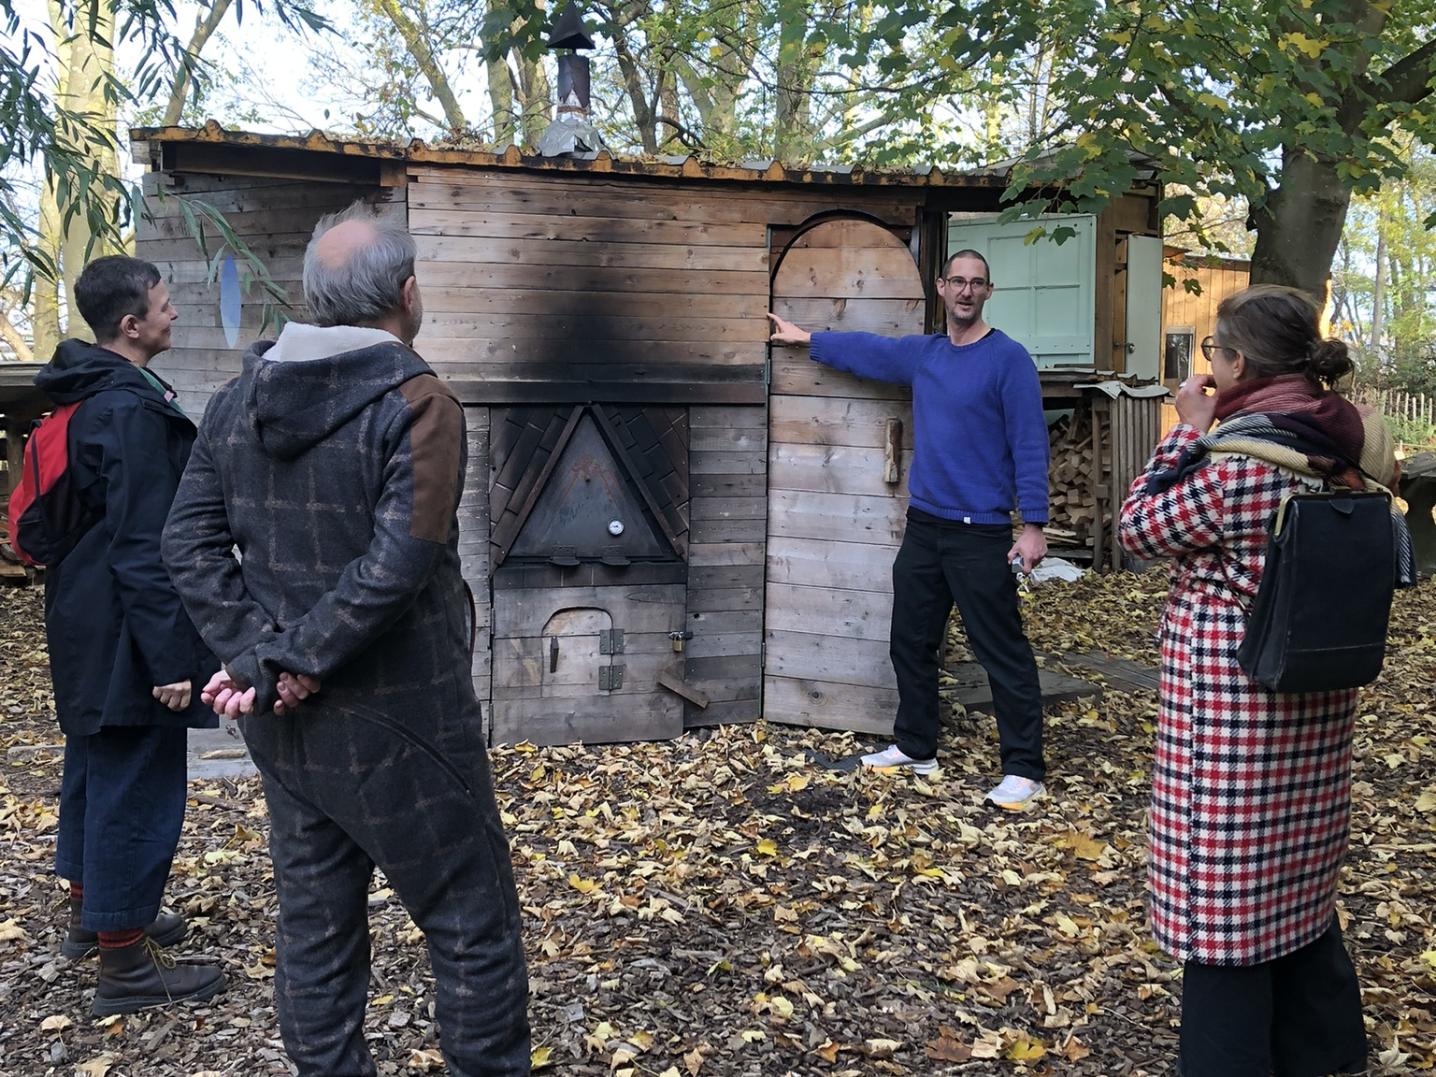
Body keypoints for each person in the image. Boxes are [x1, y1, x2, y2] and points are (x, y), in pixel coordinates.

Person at [162, 202, 530, 1076]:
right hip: (407, 724)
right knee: (471, 922)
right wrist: (284, 660)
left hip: (288, 728)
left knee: (315, 927)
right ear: (406, 293)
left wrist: (261, 658)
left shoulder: (235, 400)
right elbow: (397, 564)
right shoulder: (417, 401)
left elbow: (188, 542)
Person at [1117, 284, 1399, 1076]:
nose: (1209, 361)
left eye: (1214, 350)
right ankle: (1324, 1052)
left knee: (1225, 906)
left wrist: (1186, 432)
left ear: (1237, 363)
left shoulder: (1239, 465)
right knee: (1299, 881)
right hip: (1320, 694)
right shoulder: (1348, 443)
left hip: (1235, 718)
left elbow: (1137, 528)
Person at [767, 248, 1050, 809]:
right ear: (942, 288)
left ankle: (1024, 768)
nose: (967, 292)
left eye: (978, 284)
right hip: (925, 526)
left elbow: (1029, 443)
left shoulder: (1008, 360)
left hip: (980, 531)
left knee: (1002, 651)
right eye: (958, 282)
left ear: (988, 292)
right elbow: (873, 352)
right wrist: (807, 339)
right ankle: (917, 746)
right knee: (910, 642)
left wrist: (1034, 525)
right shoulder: (927, 355)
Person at [33, 255, 226, 1015]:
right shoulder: (130, 412)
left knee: (95, 760)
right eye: (165, 305)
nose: (174, 313)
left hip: (80, 617)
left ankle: (96, 913)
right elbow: (149, 545)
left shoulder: (86, 398)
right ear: (131, 324)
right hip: (123, 629)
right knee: (135, 783)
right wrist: (170, 657)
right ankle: (125, 967)